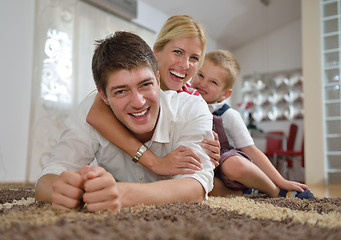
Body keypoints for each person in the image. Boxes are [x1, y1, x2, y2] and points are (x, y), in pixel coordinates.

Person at [35, 31, 215, 212]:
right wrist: (64, 191)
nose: (138, 102)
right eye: (121, 91)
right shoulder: (88, 111)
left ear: (158, 80)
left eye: (146, 84)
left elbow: (195, 187)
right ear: (103, 96)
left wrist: (123, 194)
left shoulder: (191, 108)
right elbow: (48, 178)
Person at [86, 15, 221, 178]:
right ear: (156, 53)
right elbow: (96, 113)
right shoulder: (133, 78)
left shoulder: (191, 99)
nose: (185, 65)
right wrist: (155, 162)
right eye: (178, 52)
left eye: (194, 58)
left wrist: (203, 149)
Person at [190, 50, 313, 199]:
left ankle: (275, 191)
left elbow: (251, 150)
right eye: (201, 75)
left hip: (229, 168)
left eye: (213, 82)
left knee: (233, 165)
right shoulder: (185, 103)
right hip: (208, 169)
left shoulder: (228, 115)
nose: (202, 83)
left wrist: (281, 181)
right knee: (196, 182)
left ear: (224, 94)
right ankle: (247, 193)